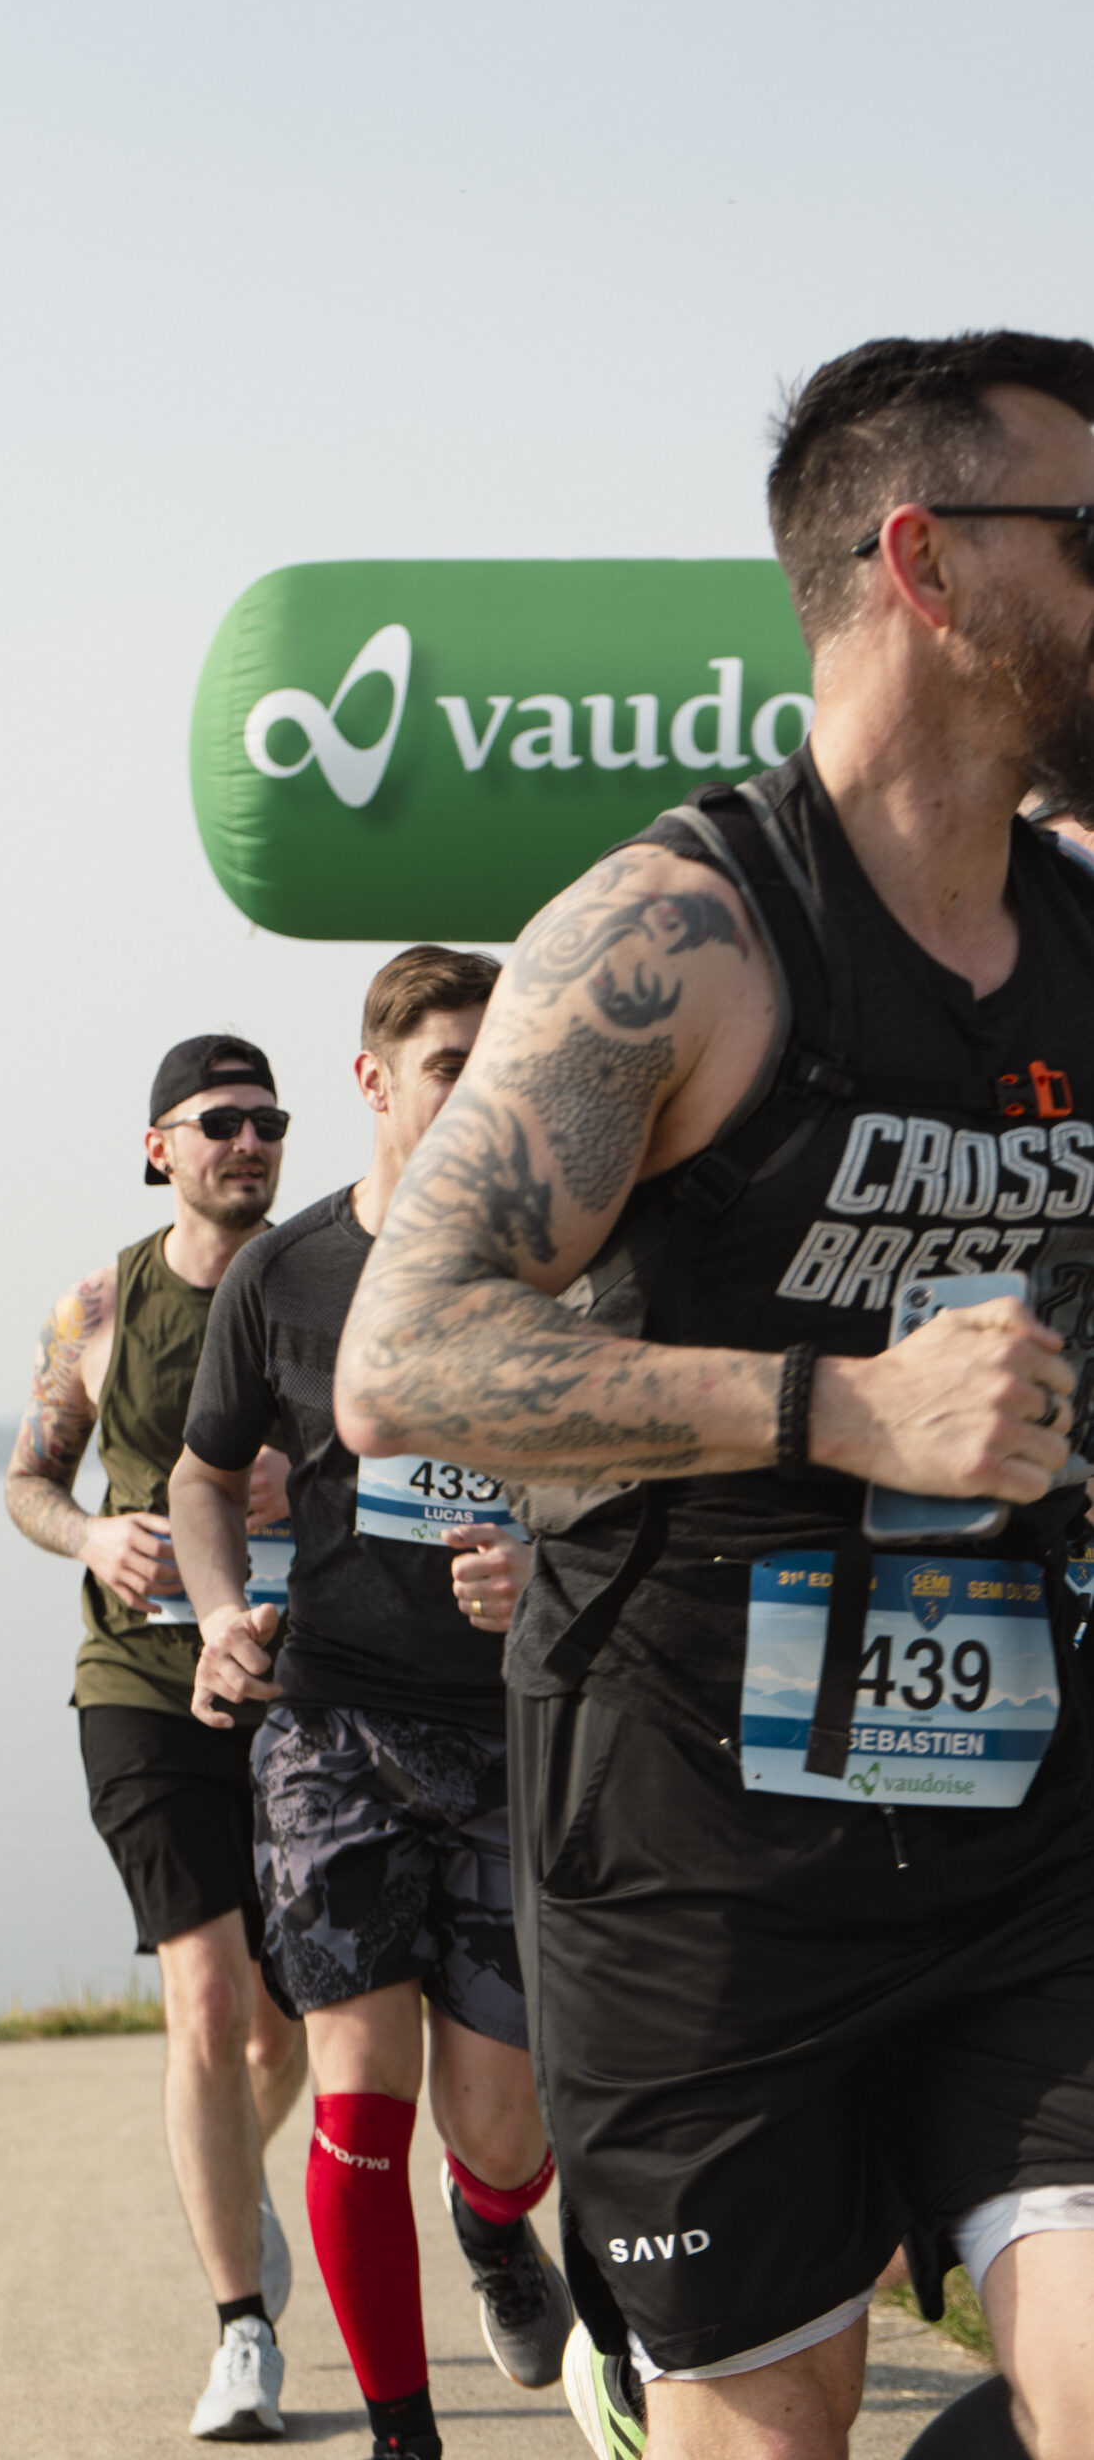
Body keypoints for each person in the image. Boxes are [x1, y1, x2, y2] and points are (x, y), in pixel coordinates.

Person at [332, 332, 1094, 2460]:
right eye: (1091, 534)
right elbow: (402, 1358)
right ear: (923, 562)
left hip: (1024, 1814)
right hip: (691, 1845)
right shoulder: (675, 939)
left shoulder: (1079, 939)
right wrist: (841, 1412)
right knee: (771, 2423)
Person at [169, 946, 574, 2460]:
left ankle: (494, 2226)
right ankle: (408, 2438)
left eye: (502, 1063)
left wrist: (548, 1568)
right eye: (453, 1064)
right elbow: (202, 1477)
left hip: (511, 1730)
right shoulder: (285, 1274)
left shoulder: (566, 1259)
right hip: (332, 1726)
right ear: (376, 1080)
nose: (482, 1089)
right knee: (357, 2088)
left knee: (500, 2123)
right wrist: (221, 1611)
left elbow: (632, 1485)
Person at [5, 1036, 308, 2440]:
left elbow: (413, 1461)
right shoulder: (100, 1302)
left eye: (269, 1121)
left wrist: (310, 1477)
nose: (249, 1142)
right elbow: (28, 1480)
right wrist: (93, 1535)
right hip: (138, 1678)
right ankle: (241, 2328)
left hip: (299, 1681)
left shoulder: (327, 1280)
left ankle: (231, 2182)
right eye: (220, 1121)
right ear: (160, 1148)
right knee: (205, 1999)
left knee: (282, 2028)